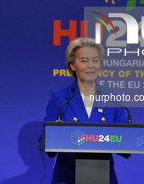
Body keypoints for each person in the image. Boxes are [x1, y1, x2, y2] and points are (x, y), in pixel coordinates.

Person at [42, 37, 127, 184]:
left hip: (103, 174)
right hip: (68, 174)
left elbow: (126, 138)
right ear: (72, 65)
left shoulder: (113, 97)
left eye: (95, 60)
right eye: (84, 60)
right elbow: (44, 137)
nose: (91, 66)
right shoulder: (60, 97)